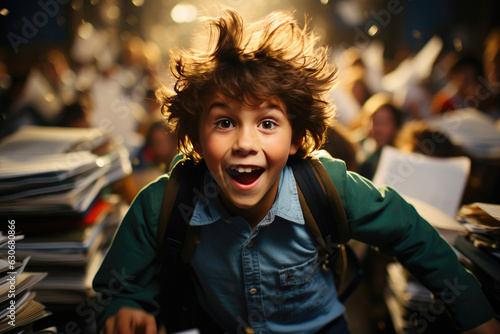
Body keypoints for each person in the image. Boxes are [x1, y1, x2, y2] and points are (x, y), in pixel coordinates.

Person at [93, 9, 500, 334]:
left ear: (295, 139)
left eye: (267, 123)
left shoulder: (328, 187)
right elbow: (116, 285)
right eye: (223, 122)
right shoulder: (164, 203)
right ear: (197, 139)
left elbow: (410, 234)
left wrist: (475, 314)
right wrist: (126, 305)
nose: (246, 143)